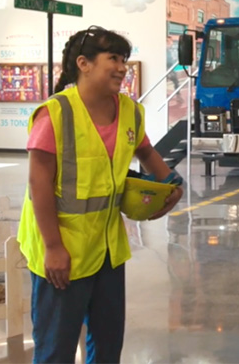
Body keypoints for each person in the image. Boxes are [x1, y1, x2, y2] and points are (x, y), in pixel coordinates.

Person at [17, 26, 184, 363]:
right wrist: (53, 248)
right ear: (84, 63)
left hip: (108, 249)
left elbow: (146, 151)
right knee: (56, 348)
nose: (122, 67)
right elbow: (39, 186)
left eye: (124, 58)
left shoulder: (129, 110)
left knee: (108, 345)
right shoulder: (56, 114)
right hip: (63, 250)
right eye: (113, 58)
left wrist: (173, 184)